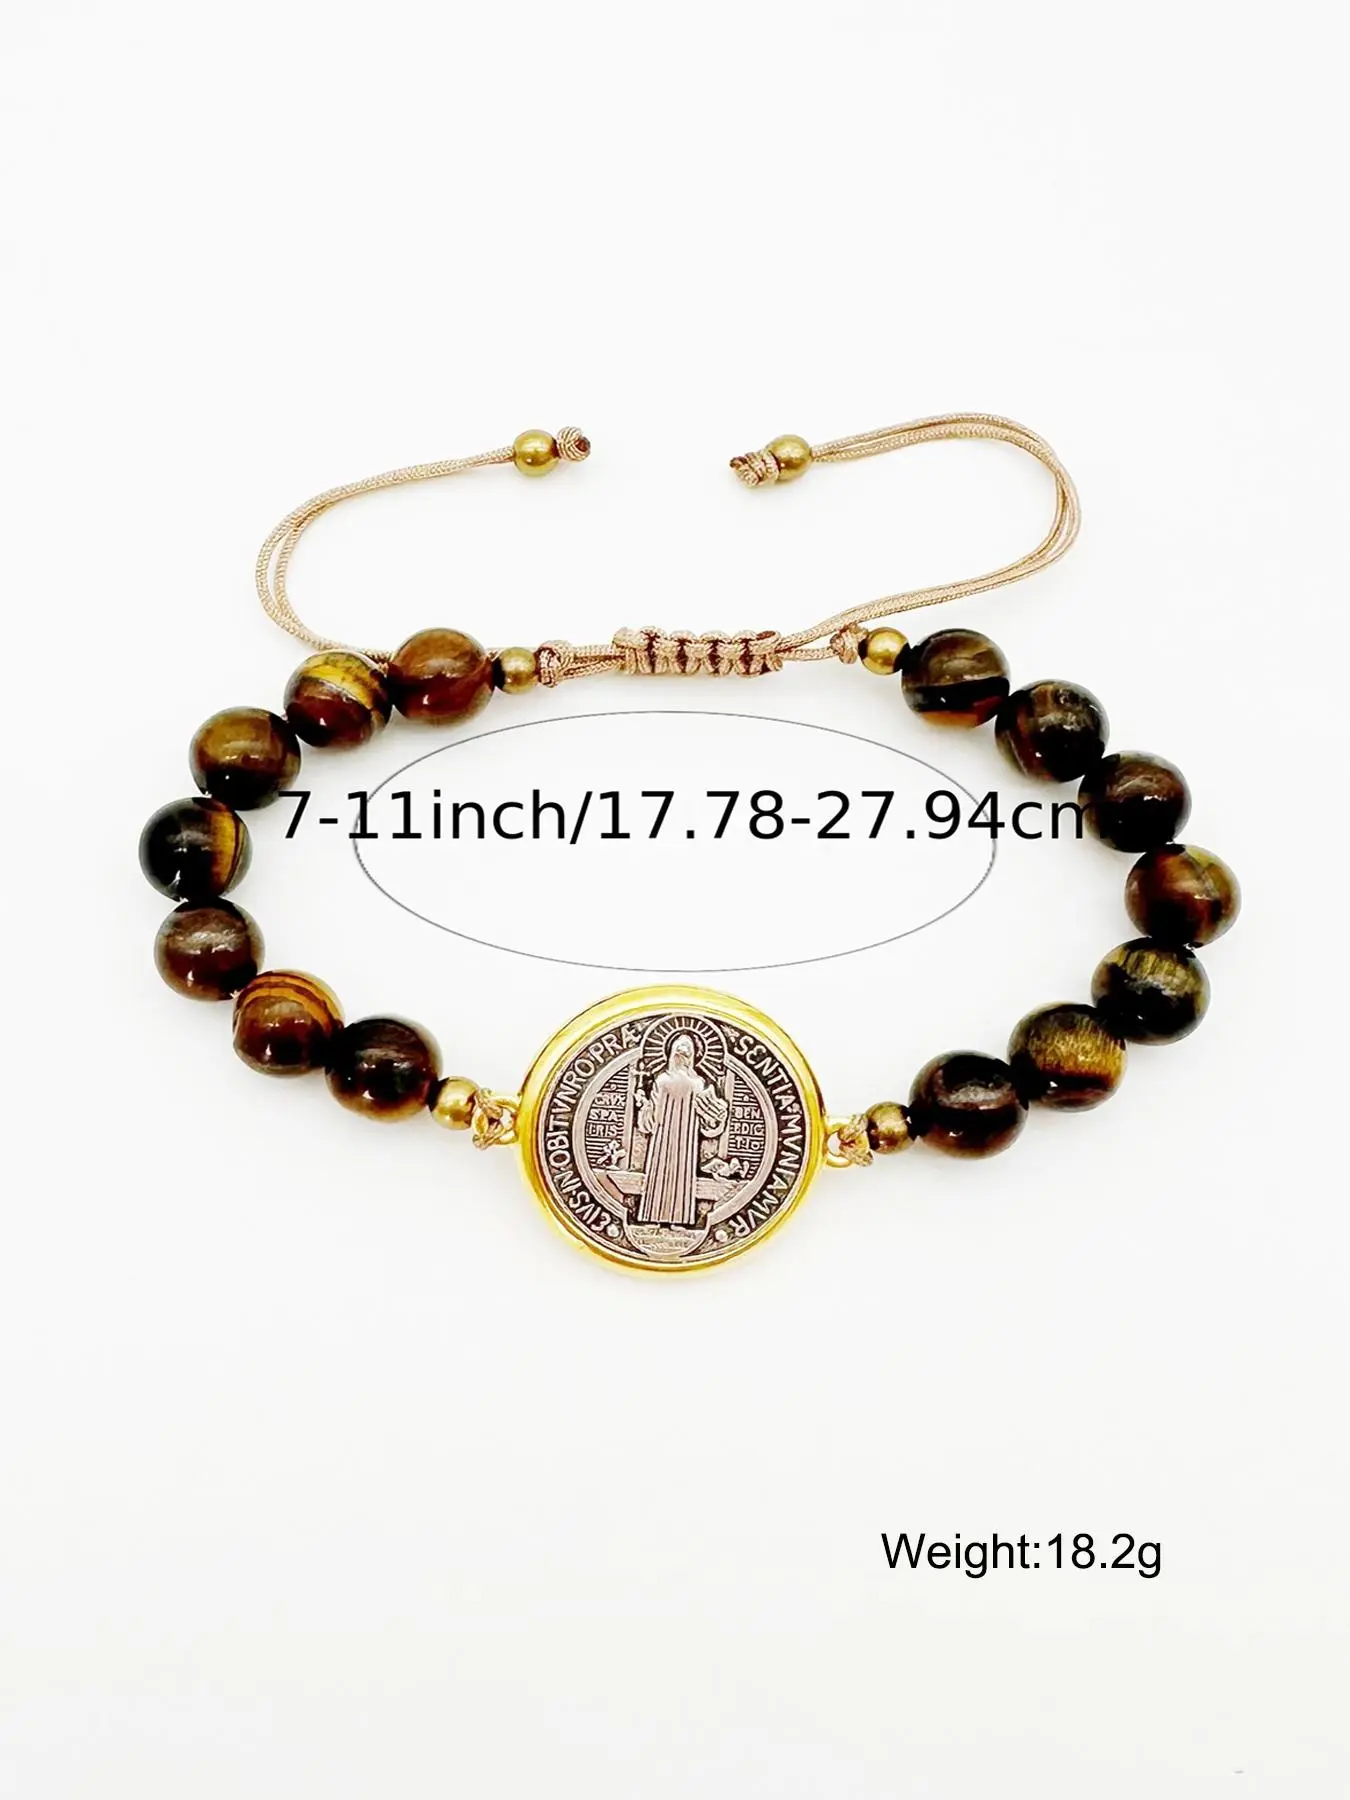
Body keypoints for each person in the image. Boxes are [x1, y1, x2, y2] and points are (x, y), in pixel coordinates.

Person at [634, 1036, 728, 1227]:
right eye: (680, 1050)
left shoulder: (692, 1083)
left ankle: (670, 1218)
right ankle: (663, 1218)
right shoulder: (667, 1081)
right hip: (668, 1138)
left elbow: (706, 1115)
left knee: (675, 1175)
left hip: (682, 1138)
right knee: (667, 1174)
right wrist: (643, 1104)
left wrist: (718, 1112)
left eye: (685, 1051)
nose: (682, 1055)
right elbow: (652, 1114)